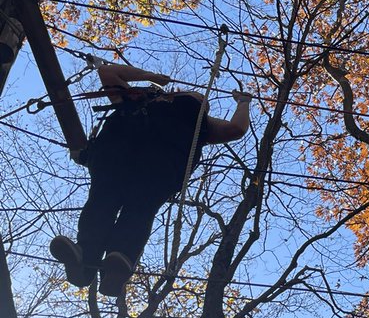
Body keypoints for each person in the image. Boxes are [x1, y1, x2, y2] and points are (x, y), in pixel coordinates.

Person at [49, 61, 252, 297]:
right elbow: (107, 72)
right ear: (172, 94)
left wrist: (244, 102)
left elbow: (236, 129)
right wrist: (150, 76)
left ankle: (112, 261)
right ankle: (90, 259)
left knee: (115, 203)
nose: (199, 99)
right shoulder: (141, 99)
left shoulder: (199, 124)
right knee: (120, 205)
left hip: (137, 161)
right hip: (139, 159)